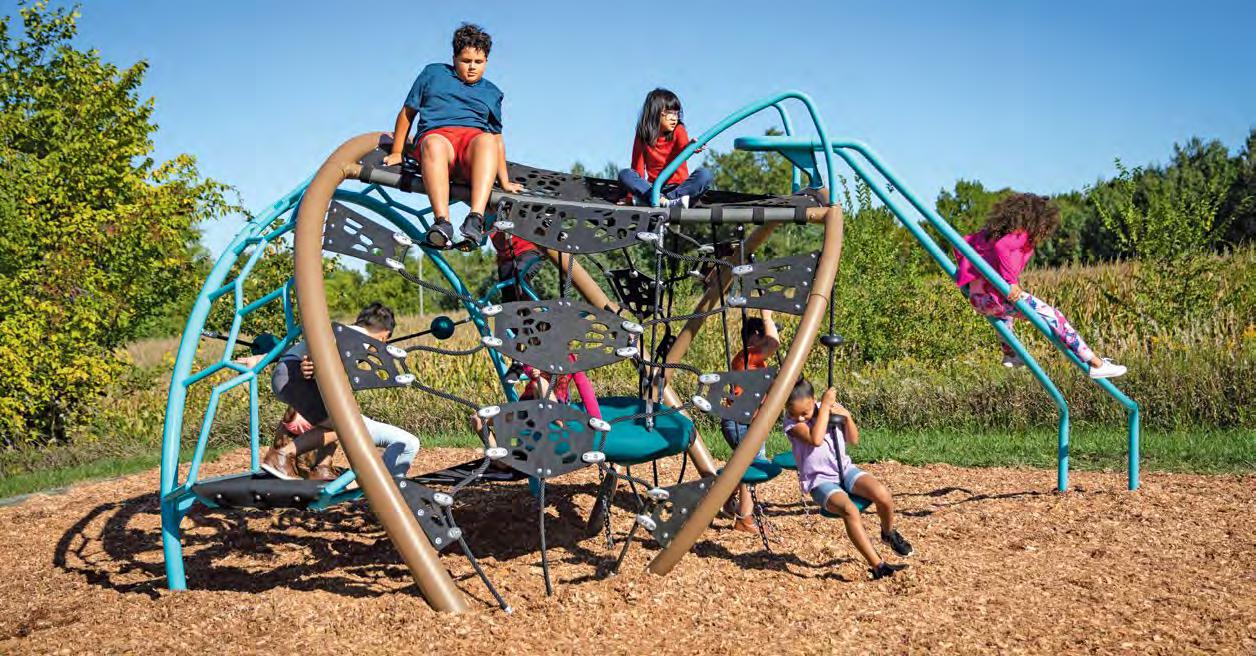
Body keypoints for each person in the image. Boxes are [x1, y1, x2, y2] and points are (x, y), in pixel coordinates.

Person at [954, 193, 1126, 379]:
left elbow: (959, 245)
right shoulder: (1020, 234)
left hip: (979, 301)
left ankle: (1011, 353)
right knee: (1053, 316)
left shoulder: (986, 236)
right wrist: (1011, 282)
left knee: (1004, 316)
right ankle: (1095, 363)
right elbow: (1002, 247)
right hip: (997, 297)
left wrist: (968, 282)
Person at [384, 23, 523, 249]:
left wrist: (505, 181)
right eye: (466, 61)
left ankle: (475, 218)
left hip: (471, 150)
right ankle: (442, 222)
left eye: (478, 62)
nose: (472, 67)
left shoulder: (492, 92)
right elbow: (408, 113)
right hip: (439, 141)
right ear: (454, 58)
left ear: (486, 61)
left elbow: (497, 138)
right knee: (433, 143)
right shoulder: (433, 74)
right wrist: (397, 151)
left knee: (487, 139)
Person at [262, 303, 421, 479]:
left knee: (337, 418)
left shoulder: (347, 332)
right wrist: (310, 363)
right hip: (295, 377)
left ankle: (322, 467)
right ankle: (282, 456)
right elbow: (325, 347)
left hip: (288, 374)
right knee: (343, 425)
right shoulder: (359, 339)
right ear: (385, 336)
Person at [783, 378, 911, 580]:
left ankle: (888, 534)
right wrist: (824, 408)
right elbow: (816, 439)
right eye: (793, 413)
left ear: (814, 400)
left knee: (883, 495)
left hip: (844, 469)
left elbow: (853, 440)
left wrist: (847, 417)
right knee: (850, 510)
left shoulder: (829, 408)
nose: (799, 417)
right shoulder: (792, 424)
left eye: (804, 413)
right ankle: (878, 566)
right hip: (819, 480)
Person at [720, 311, 779, 532]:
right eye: (764, 334)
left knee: (744, 464)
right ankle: (744, 519)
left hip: (748, 423)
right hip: (741, 423)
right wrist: (767, 316)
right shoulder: (747, 356)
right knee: (751, 465)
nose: (767, 339)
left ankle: (724, 500)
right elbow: (773, 343)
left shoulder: (755, 362)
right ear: (754, 336)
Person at [617, 88, 713, 207]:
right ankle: (664, 201)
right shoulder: (642, 135)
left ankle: (660, 200)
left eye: (676, 114)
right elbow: (638, 167)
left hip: (679, 188)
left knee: (705, 174)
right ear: (655, 113)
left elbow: (684, 150)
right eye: (669, 113)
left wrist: (692, 147)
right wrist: (629, 197)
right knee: (625, 174)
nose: (674, 118)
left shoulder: (679, 130)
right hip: (654, 188)